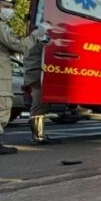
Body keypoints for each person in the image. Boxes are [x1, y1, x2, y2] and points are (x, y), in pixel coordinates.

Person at [0, 0, 45, 156]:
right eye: (6, 7)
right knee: (1, 106)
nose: (10, 11)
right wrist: (36, 35)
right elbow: (19, 46)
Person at [25, 16, 60, 145]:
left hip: (34, 73)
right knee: (39, 105)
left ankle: (39, 134)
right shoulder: (37, 35)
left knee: (41, 104)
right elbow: (49, 45)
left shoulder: (34, 35)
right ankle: (37, 136)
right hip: (36, 74)